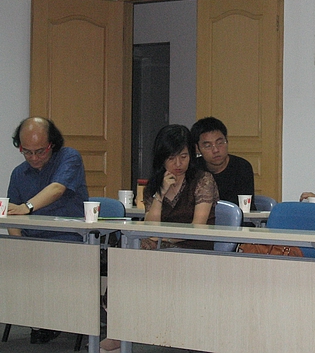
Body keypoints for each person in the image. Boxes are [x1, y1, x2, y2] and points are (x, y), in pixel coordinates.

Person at [101, 124, 219, 353]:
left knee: (139, 260)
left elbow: (197, 228)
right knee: (125, 261)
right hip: (160, 246)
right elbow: (150, 227)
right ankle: (120, 330)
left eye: (183, 156)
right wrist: (160, 194)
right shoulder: (155, 185)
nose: (178, 164)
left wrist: (162, 239)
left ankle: (126, 331)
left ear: (191, 154)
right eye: (171, 158)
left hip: (194, 248)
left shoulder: (203, 180)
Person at [7, 117, 88, 344]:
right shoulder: (18, 173)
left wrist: (27, 207)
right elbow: (12, 217)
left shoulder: (69, 157)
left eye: (40, 151)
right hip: (33, 241)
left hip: (68, 239)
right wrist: (19, 246)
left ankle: (54, 318)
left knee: (51, 262)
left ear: (52, 144)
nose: (34, 157)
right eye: (27, 152)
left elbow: (56, 189)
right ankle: (37, 317)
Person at [190, 117, 255, 210]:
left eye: (220, 143)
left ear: (227, 141)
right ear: (197, 148)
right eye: (208, 146)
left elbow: (245, 207)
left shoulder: (242, 167)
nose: (215, 150)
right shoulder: (193, 168)